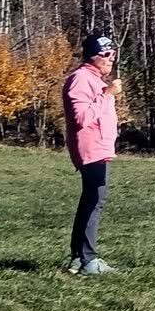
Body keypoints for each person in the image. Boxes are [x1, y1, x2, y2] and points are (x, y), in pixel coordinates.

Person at [63, 34, 122, 276]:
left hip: (99, 149)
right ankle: (88, 260)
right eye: (106, 54)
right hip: (91, 150)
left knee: (91, 200)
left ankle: (78, 259)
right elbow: (81, 118)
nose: (111, 59)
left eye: (113, 54)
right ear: (92, 57)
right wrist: (107, 94)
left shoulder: (94, 80)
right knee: (95, 201)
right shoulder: (80, 79)